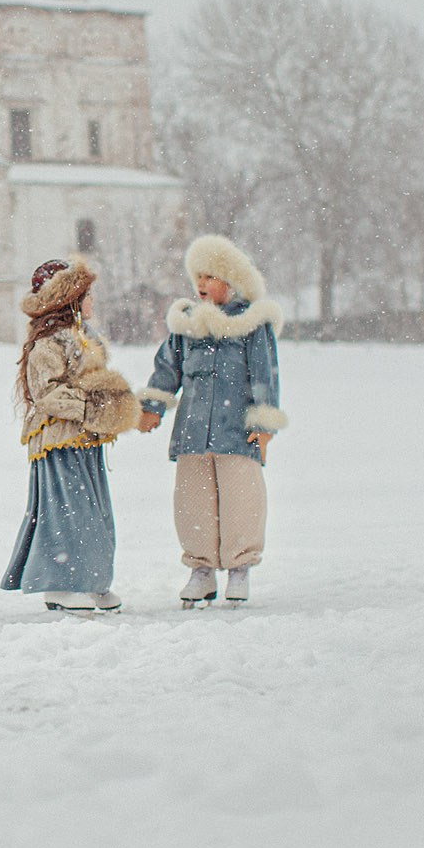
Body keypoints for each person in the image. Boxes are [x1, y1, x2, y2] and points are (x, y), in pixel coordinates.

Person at [136, 236, 286, 608]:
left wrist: (264, 423)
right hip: (192, 431)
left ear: (231, 280)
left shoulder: (252, 324)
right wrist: (154, 403)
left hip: (237, 431)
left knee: (241, 500)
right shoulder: (186, 324)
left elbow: (265, 375)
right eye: (197, 276)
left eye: (210, 276)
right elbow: (167, 368)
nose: (201, 284)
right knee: (193, 503)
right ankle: (200, 570)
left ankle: (240, 568)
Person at [1, 257, 145, 613]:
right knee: (67, 513)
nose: (93, 302)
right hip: (58, 441)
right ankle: (60, 583)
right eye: (87, 295)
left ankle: (91, 579)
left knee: (94, 514)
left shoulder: (84, 338)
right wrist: (88, 407)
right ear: (71, 299)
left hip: (85, 440)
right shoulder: (49, 342)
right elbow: (47, 392)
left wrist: (105, 407)